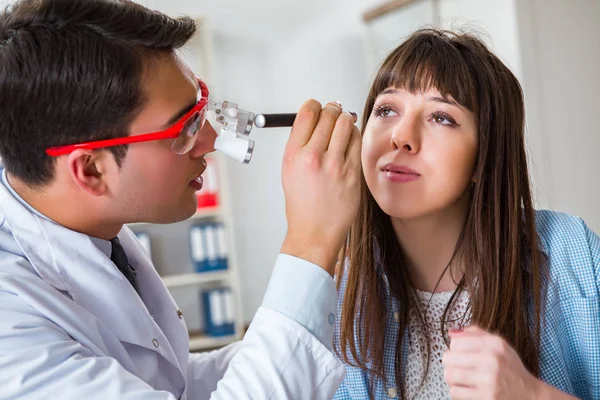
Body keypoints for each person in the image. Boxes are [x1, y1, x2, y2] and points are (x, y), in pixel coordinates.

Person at [0, 0, 362, 399]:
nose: (207, 140)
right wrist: (311, 242)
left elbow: (169, 383)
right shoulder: (12, 335)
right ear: (91, 170)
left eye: (200, 106)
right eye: (184, 125)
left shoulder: (86, 225)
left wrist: (334, 334)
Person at [332, 29, 599, 400]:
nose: (400, 137)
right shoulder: (338, 293)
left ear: (484, 157)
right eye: (387, 110)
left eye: (441, 117)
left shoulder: (573, 253)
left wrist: (533, 395)